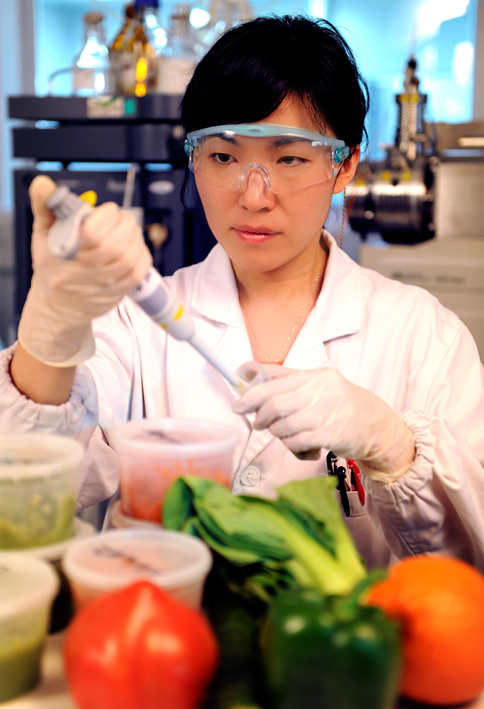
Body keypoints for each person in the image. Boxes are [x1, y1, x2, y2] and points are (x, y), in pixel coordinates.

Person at [1, 15, 483, 570]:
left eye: (289, 158)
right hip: (158, 622)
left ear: (345, 164)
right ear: (193, 158)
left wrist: (391, 443)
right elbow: (21, 499)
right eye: (224, 157)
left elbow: (470, 563)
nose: (254, 197)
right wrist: (51, 329)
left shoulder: (426, 337)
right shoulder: (134, 323)